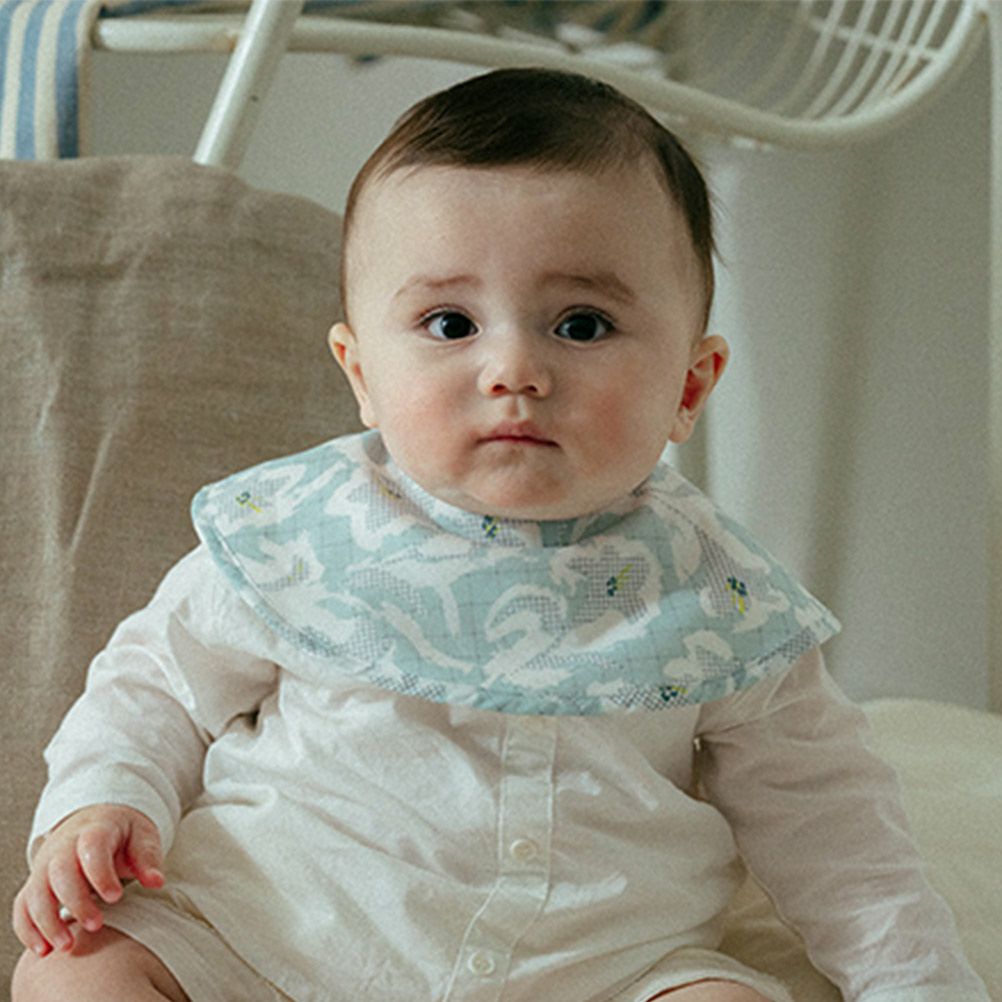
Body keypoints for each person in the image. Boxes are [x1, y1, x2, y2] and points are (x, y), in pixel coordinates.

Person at [11, 68, 988, 1002]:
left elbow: (833, 822)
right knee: (73, 971)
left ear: (689, 386)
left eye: (582, 325)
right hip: (265, 944)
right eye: (449, 324)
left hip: (595, 971)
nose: (514, 368)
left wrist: (912, 980)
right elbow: (153, 686)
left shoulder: (717, 600)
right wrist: (105, 801)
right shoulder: (302, 535)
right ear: (361, 374)